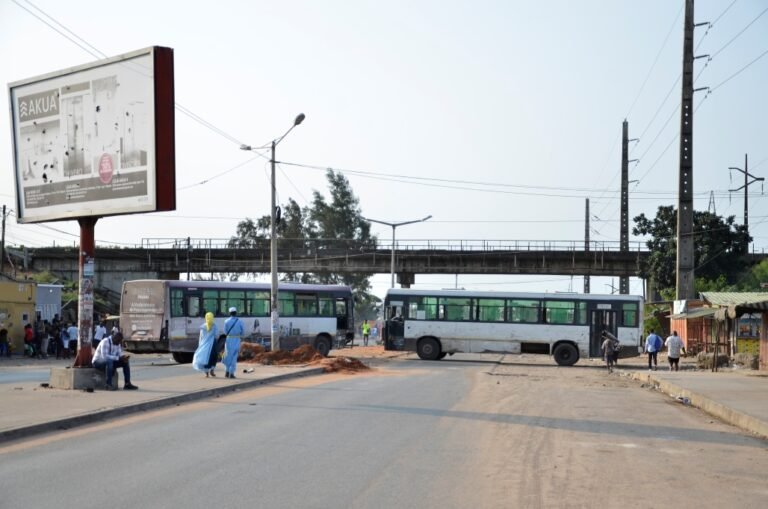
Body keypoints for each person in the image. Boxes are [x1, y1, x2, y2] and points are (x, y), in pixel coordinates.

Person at [192, 312, 219, 377]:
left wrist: (200, 345)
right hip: (212, 344)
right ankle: (212, 370)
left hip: (204, 344)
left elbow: (201, 337)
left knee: (205, 358)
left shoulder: (203, 326)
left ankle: (206, 372)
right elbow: (216, 335)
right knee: (213, 357)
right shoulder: (214, 325)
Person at [222, 306, 245, 379]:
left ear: (229, 313)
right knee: (234, 357)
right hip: (237, 340)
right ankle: (231, 373)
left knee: (228, 356)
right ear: (236, 313)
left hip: (229, 340)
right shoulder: (240, 321)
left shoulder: (226, 321)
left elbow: (225, 332)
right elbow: (243, 332)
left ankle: (227, 371)